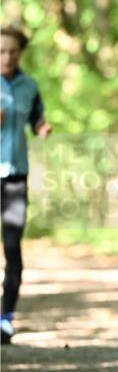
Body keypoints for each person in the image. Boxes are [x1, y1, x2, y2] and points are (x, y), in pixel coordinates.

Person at [1, 26, 51, 344]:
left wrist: (41, 126)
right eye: (1, 51)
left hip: (15, 177)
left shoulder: (29, 85)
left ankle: (5, 318)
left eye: (12, 51)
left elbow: (36, 119)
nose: (6, 57)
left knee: (13, 249)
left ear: (21, 53)